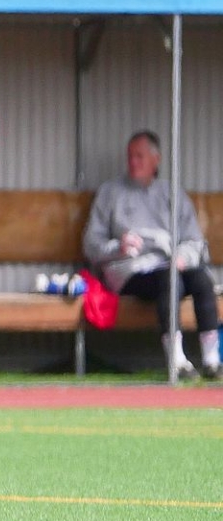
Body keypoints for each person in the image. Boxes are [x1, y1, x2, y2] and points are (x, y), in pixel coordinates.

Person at [83, 132, 222, 379]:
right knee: (169, 280)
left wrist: (182, 257)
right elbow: (91, 245)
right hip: (129, 270)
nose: (133, 162)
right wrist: (118, 247)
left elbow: (195, 241)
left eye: (140, 156)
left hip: (168, 264)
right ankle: (177, 361)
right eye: (130, 156)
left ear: (156, 160)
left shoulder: (172, 193)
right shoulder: (110, 193)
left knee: (201, 278)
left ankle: (212, 360)